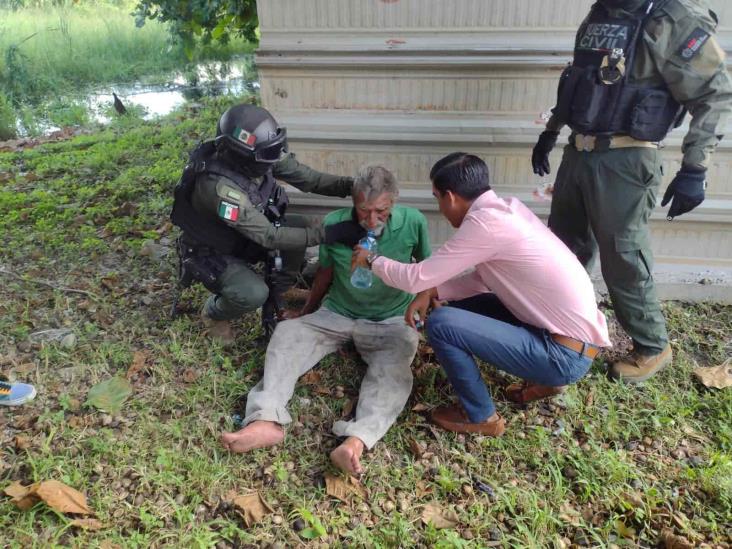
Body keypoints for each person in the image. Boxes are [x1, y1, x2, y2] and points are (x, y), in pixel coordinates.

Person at [531, 0, 732, 382]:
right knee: (564, 249)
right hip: (580, 151)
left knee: (623, 257)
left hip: (626, 159)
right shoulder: (602, 12)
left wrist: (696, 166)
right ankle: (567, 325)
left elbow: (714, 93)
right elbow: (579, 80)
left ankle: (653, 346)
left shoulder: (673, 19)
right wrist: (551, 131)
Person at [352, 153, 611, 436]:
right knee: (468, 305)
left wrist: (372, 260)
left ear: (450, 197)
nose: (439, 206)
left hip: (562, 355)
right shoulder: (507, 211)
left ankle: (481, 416)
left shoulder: (485, 225)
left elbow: (414, 278)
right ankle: (546, 380)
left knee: (442, 323)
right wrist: (434, 290)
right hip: (572, 341)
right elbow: (483, 279)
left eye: (437, 197)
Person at [221, 165, 431, 474]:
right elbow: (325, 273)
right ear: (353, 203)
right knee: (288, 334)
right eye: (363, 211)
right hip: (337, 313)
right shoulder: (335, 224)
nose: (371, 220)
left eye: (381, 211)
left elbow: (428, 268)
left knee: (394, 371)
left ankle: (356, 441)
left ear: (394, 203)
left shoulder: (414, 222)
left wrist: (423, 302)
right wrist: (306, 312)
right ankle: (265, 419)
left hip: (389, 319)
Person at [170, 104, 366, 344]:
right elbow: (269, 236)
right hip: (214, 250)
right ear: (240, 154)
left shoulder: (262, 154)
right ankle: (213, 313)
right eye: (267, 155)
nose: (273, 160)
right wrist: (331, 234)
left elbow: (311, 180)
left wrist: (356, 186)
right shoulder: (218, 188)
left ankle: (282, 288)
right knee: (254, 293)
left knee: (297, 224)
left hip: (244, 236)